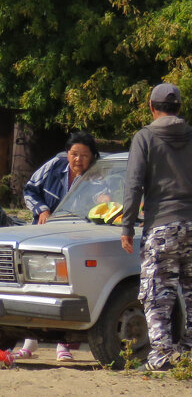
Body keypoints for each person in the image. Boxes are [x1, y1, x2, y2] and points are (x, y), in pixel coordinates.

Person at [120, 83, 192, 371]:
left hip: (162, 225)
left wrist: (127, 226)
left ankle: (161, 356)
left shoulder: (145, 137)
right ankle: (188, 353)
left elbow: (134, 182)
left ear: (151, 107)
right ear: (180, 108)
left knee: (156, 291)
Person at [16, 131, 100, 361]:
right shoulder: (54, 165)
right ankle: (29, 342)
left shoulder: (98, 176)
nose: (78, 160)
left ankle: (62, 345)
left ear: (92, 157)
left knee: (64, 291)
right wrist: (42, 210)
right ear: (67, 153)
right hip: (43, 236)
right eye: (74, 154)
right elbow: (30, 189)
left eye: (84, 155)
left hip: (74, 240)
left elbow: (106, 203)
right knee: (33, 289)